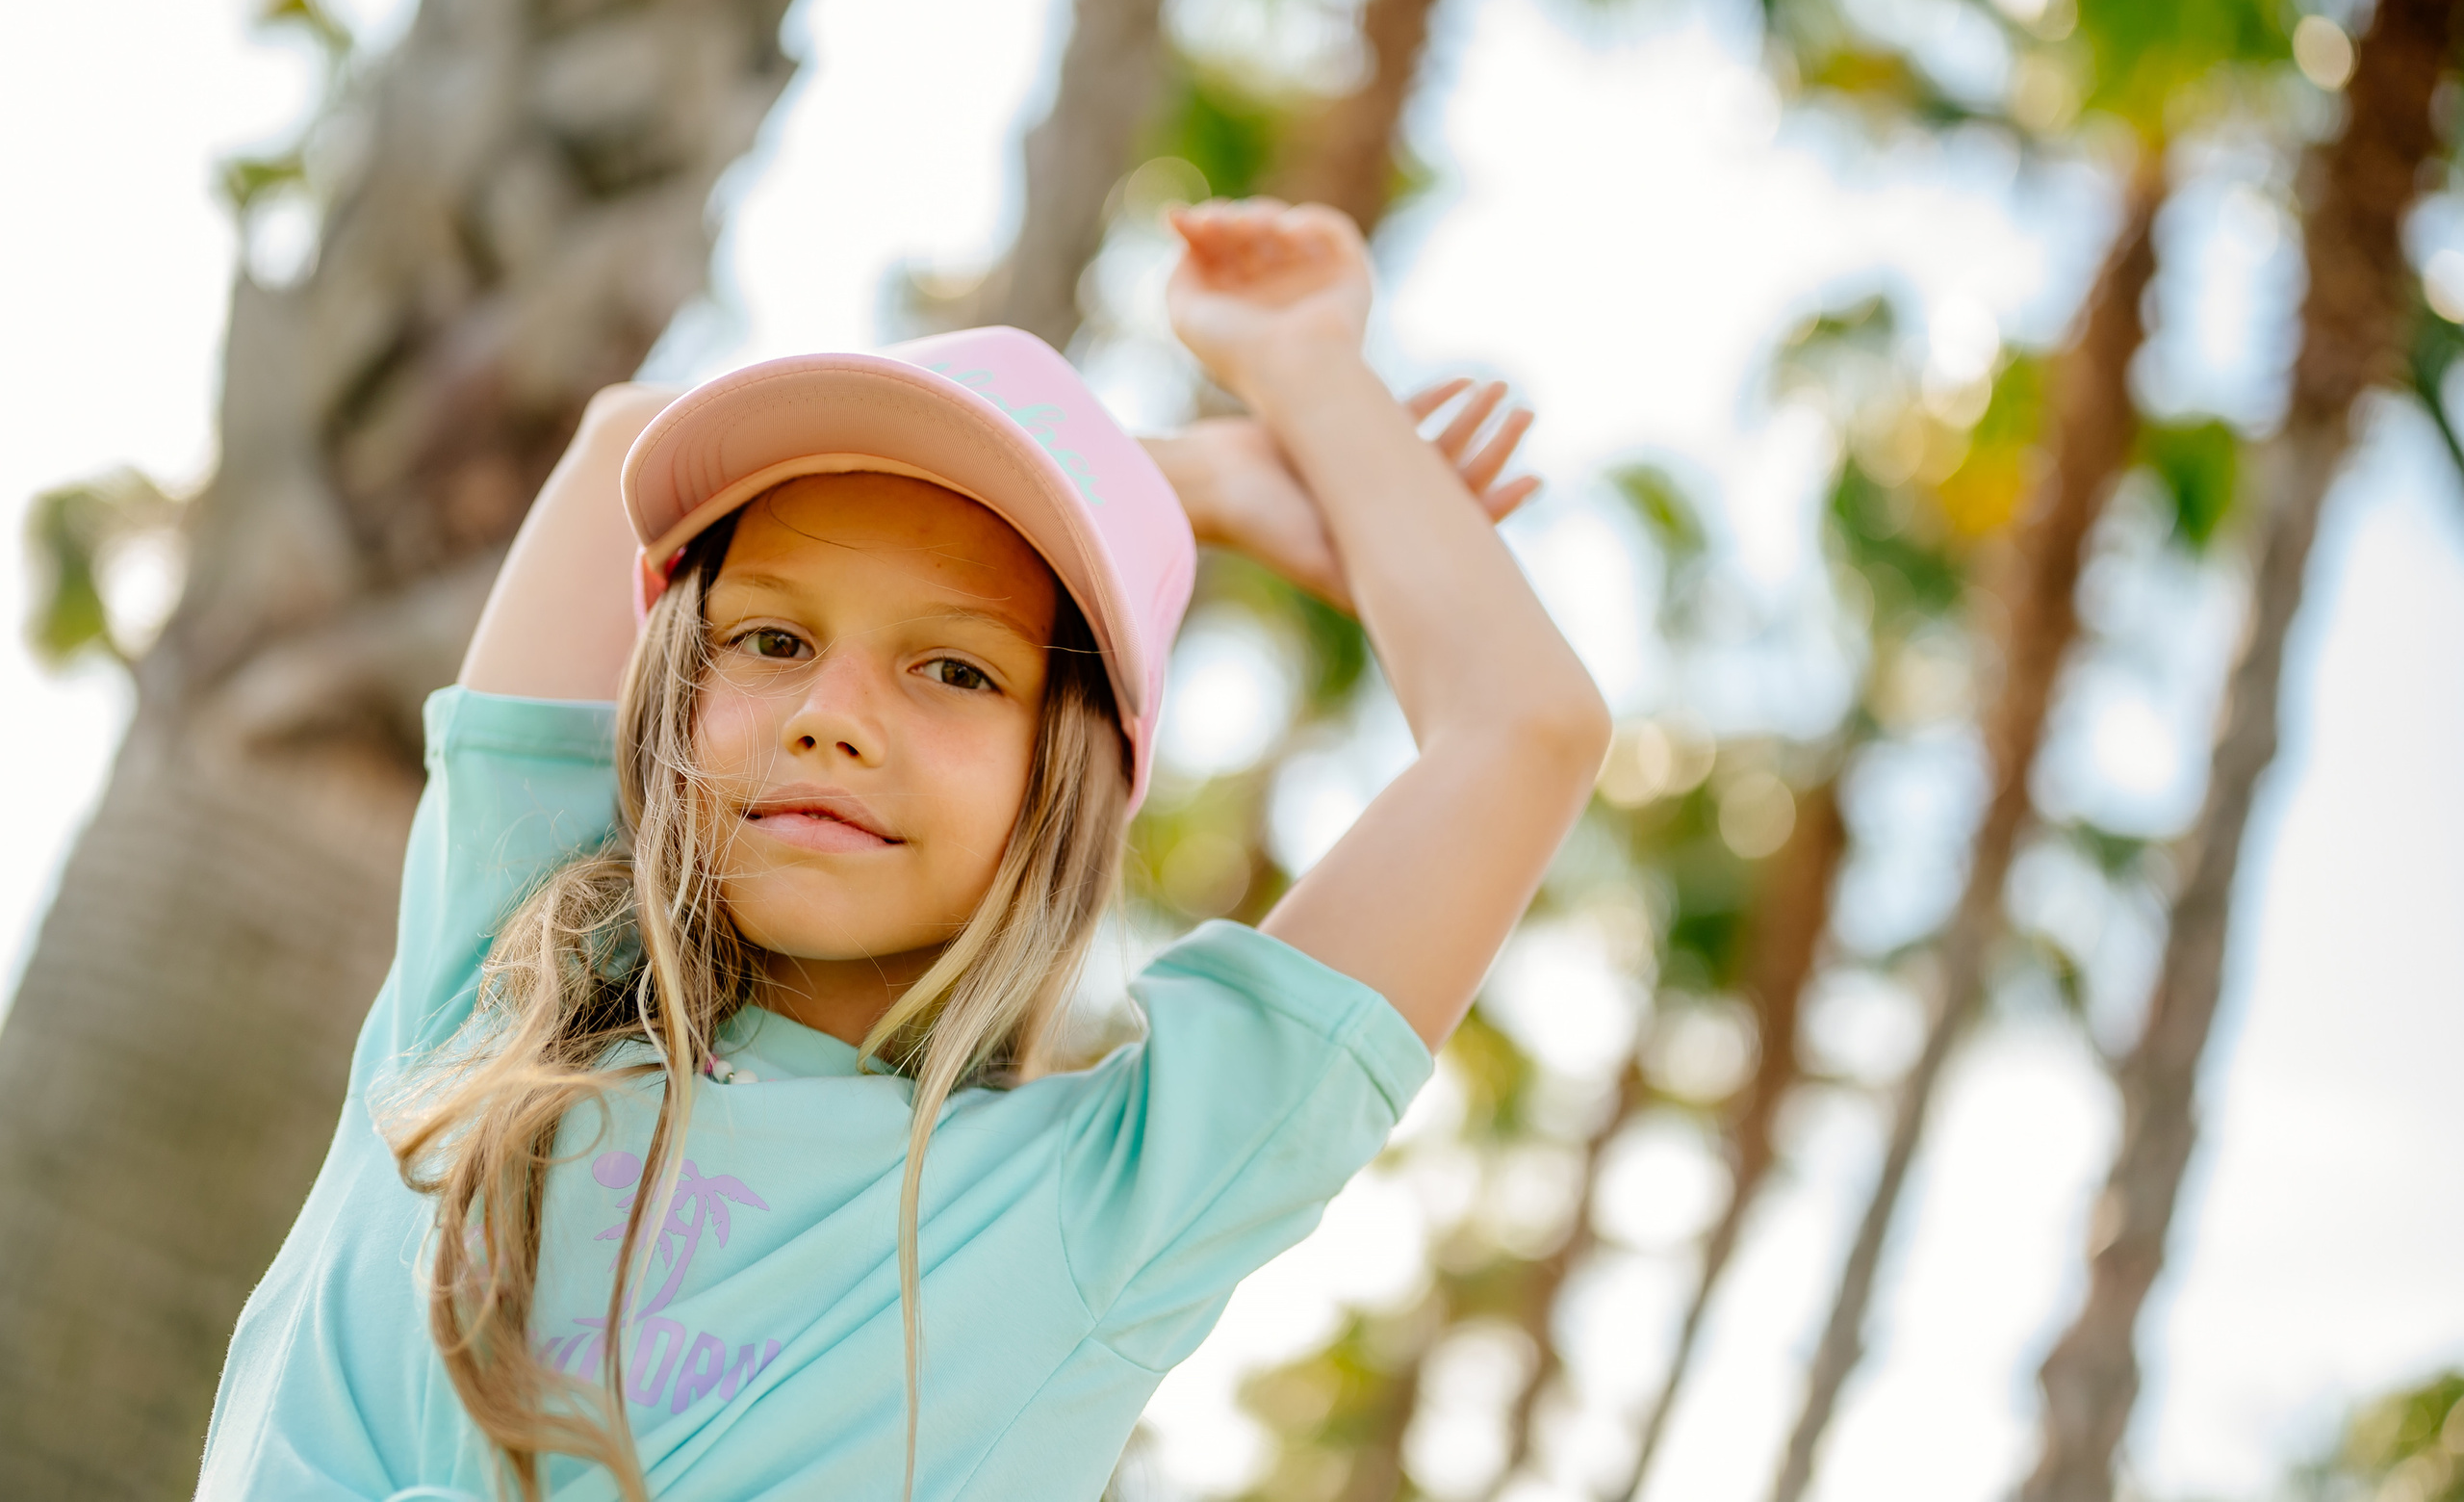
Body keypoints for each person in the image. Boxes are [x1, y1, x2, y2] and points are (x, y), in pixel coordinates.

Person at [196, 198, 1610, 1501]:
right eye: (771, 638)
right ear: (678, 688)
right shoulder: (515, 965)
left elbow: (1522, 728)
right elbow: (626, 435)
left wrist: (1300, 366)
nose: (831, 717)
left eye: (954, 669)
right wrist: (1173, 482)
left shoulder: (1098, 1196)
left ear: (1067, 777)